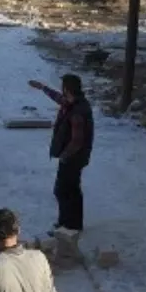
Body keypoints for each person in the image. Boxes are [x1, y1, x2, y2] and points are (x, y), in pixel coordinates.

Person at [28, 74, 94, 236]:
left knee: (63, 191)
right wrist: (42, 87)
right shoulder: (74, 103)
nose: (61, 89)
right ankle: (73, 224)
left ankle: (68, 226)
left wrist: (64, 156)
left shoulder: (77, 111)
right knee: (72, 190)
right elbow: (58, 98)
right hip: (75, 157)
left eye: (63, 86)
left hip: (73, 158)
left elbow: (77, 141)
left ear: (67, 89)